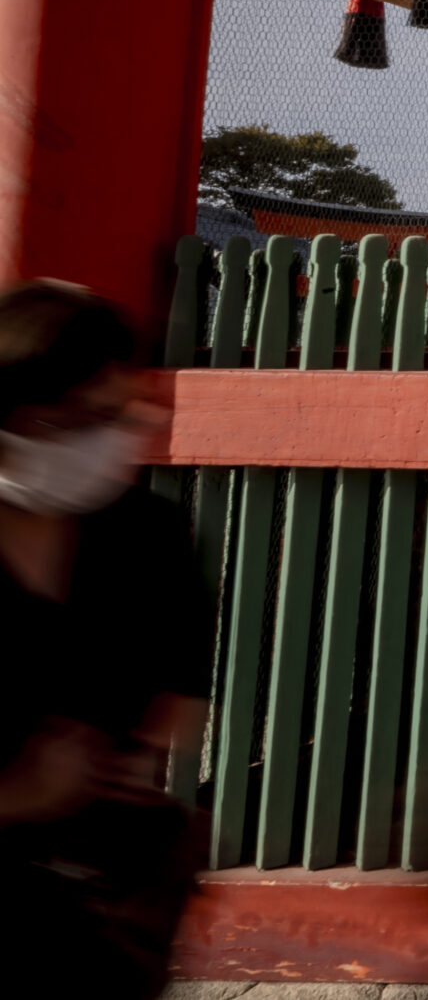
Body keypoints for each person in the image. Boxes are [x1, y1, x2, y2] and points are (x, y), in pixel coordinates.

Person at [0, 282, 212, 1000]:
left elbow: (185, 677)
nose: (105, 439)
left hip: (97, 898)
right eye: (77, 418)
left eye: (118, 414)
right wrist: (18, 795)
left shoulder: (146, 536)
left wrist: (139, 755)